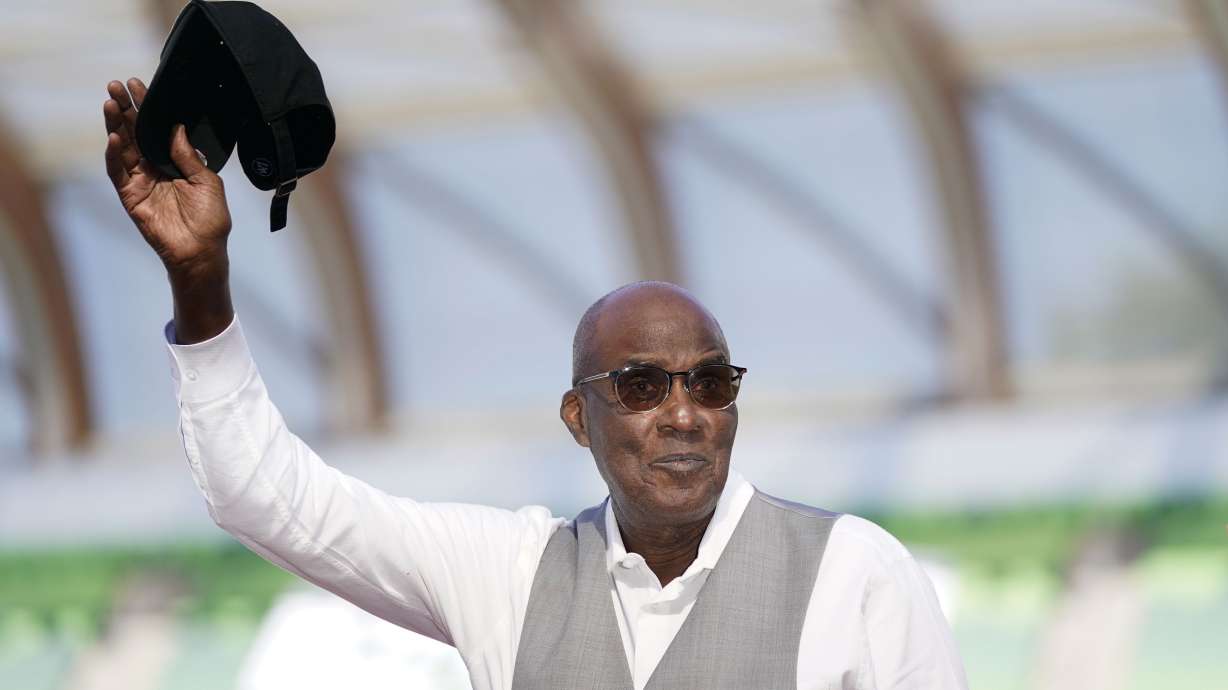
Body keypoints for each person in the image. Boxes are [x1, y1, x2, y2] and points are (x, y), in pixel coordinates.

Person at [104, 77, 969, 690]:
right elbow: (266, 498)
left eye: (711, 384)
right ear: (576, 416)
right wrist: (203, 282)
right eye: (639, 386)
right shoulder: (511, 576)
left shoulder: (856, 575)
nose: (683, 415)